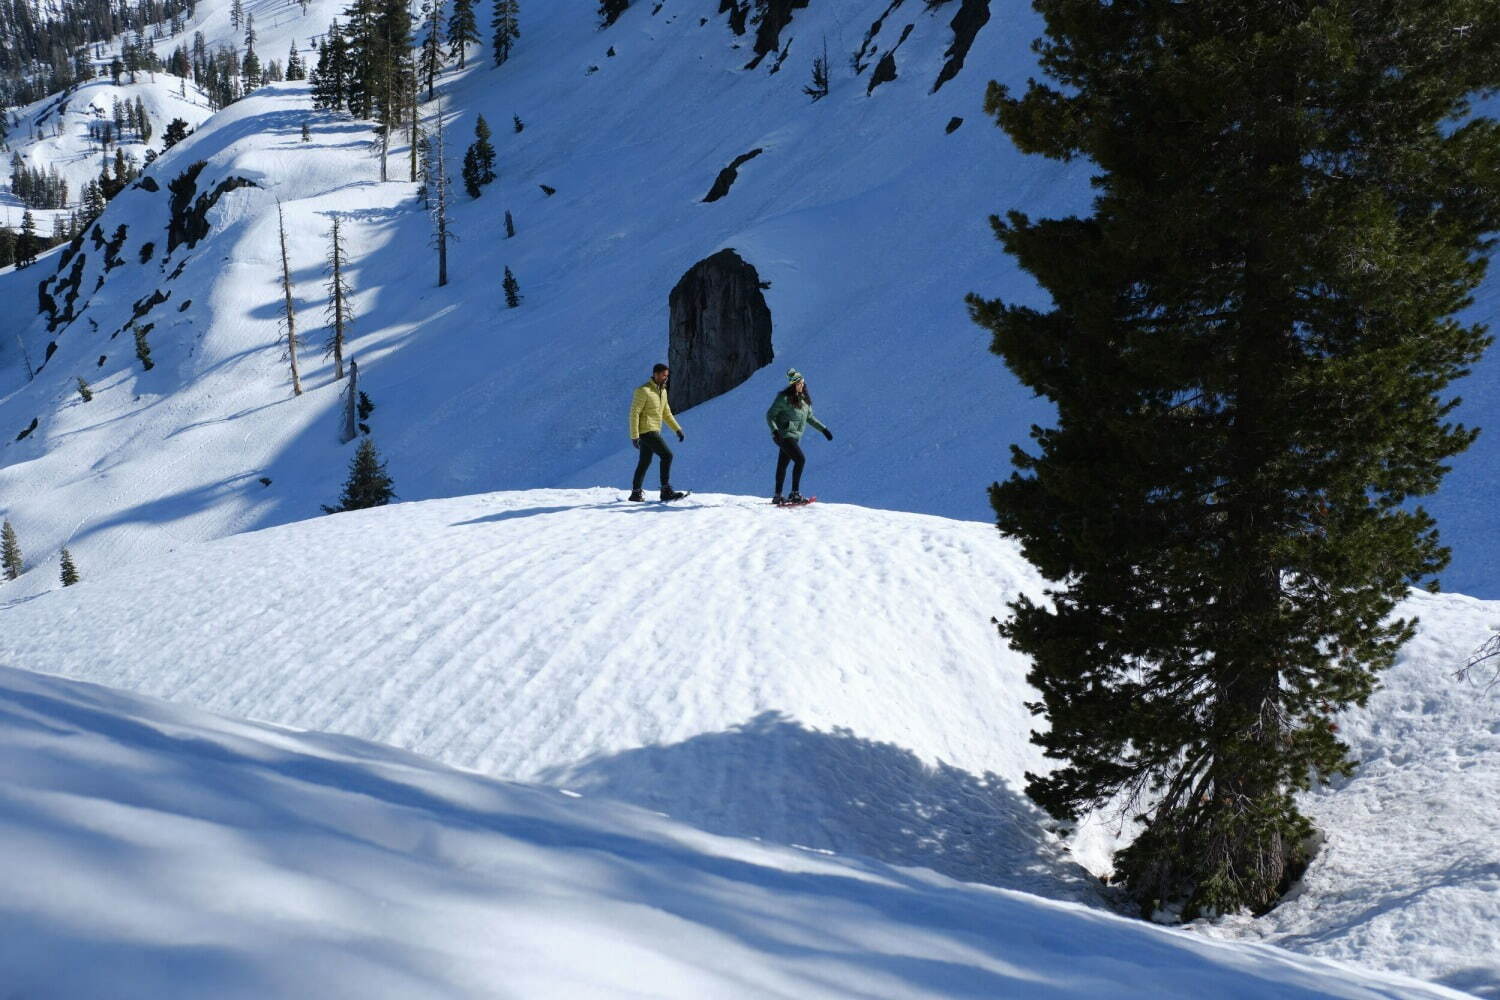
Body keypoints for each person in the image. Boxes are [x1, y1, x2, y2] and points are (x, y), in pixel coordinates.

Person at [765, 368, 832, 505]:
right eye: (799, 383)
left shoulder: (804, 402)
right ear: (793, 384)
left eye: (803, 383)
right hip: (783, 435)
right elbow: (770, 415)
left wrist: (824, 429)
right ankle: (795, 493)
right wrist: (775, 431)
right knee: (800, 460)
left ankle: (778, 495)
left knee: (783, 464)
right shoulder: (783, 398)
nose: (802, 385)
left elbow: (810, 418)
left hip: (795, 437)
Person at [628, 363, 687, 502]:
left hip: (654, 430)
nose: (665, 378)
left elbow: (666, 413)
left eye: (667, 375)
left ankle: (635, 493)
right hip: (646, 431)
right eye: (663, 375)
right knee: (667, 455)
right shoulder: (643, 390)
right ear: (655, 374)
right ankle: (665, 490)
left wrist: (677, 429)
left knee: (645, 462)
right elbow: (634, 413)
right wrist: (634, 435)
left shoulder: (663, 391)